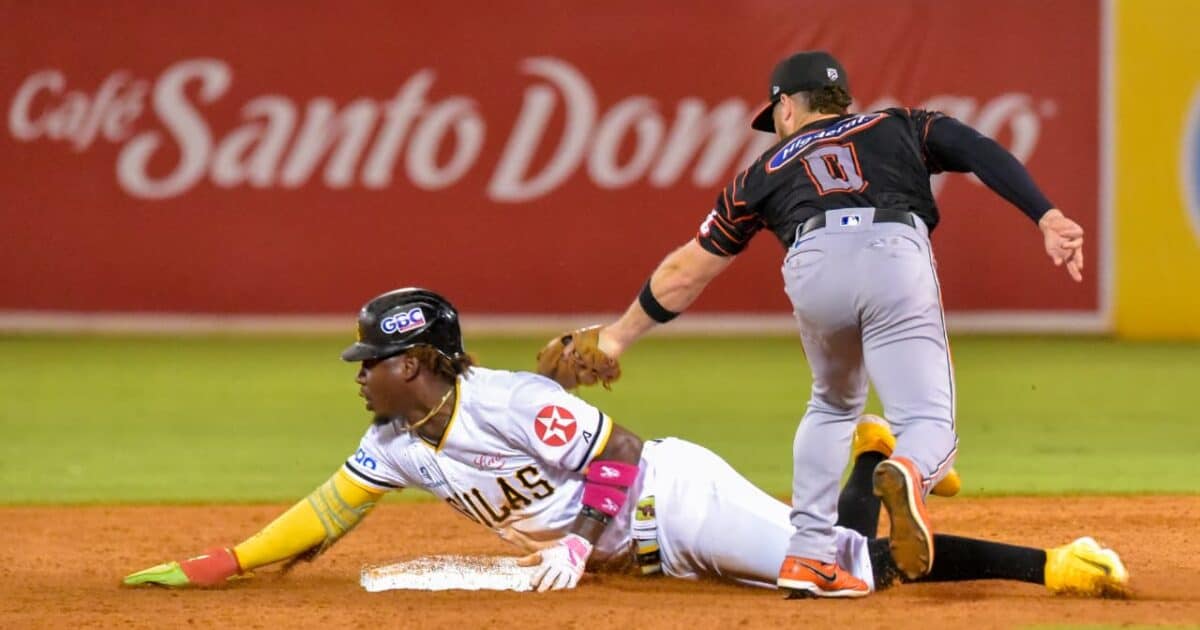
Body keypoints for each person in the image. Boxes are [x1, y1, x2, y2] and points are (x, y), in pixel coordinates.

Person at [123, 288, 1125, 599]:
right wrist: (218, 565)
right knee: (828, 557)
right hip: (644, 557)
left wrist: (573, 539)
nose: (358, 373)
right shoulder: (395, 441)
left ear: (419, 360)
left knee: (854, 574)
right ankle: (867, 456)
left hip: (674, 499)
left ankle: (1054, 565)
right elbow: (323, 517)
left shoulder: (510, 400)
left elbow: (621, 451)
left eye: (371, 360)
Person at [544, 50, 1087, 597]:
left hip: (812, 263)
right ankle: (907, 469)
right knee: (927, 422)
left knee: (831, 403)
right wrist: (1045, 214)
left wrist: (617, 335)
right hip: (892, 249)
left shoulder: (761, 173)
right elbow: (980, 150)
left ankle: (809, 555)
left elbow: (685, 272)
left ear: (786, 107)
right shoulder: (901, 125)